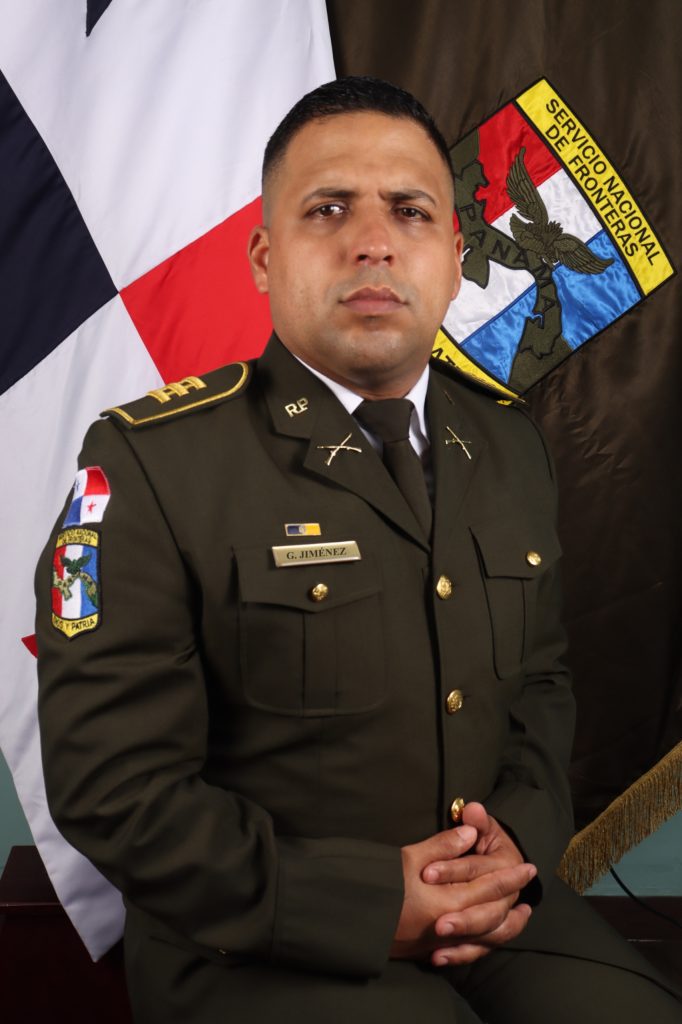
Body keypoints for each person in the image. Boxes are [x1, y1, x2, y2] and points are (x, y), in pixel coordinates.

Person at [35, 77, 680, 1023]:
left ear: (455, 259)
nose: (373, 241)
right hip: (256, 940)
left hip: (493, 909)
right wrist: (372, 904)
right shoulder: (153, 463)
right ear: (265, 258)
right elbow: (112, 785)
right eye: (328, 208)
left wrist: (516, 846)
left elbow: (542, 688)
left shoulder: (508, 445)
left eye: (410, 211)